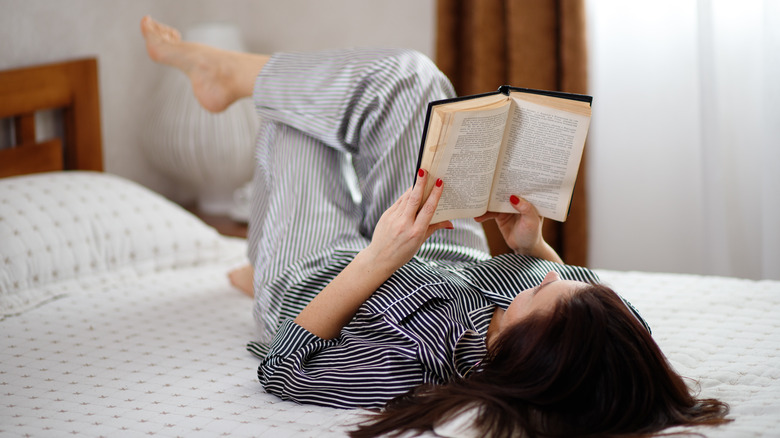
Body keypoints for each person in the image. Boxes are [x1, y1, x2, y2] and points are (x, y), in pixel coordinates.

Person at [141, 16, 731, 437]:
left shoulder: (413, 361)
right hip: (441, 251)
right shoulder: (596, 337)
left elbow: (285, 370)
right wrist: (533, 245)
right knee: (415, 79)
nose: (548, 277)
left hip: (324, 274)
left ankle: (232, 86)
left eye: (544, 289)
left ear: (524, 352)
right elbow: (594, 310)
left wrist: (378, 257)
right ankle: (241, 99)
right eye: (570, 282)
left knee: (298, 120)